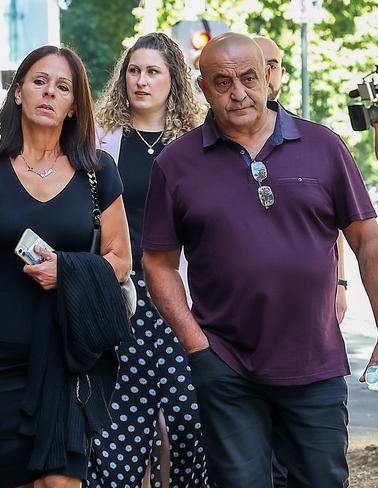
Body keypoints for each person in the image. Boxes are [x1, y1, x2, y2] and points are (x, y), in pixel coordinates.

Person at [141, 32, 378, 488]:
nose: (239, 92)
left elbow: (367, 238)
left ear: (269, 77)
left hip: (314, 362)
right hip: (226, 365)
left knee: (322, 481)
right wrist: (197, 346)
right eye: (222, 82)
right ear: (203, 88)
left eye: (249, 77)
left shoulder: (323, 147)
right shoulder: (177, 163)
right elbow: (158, 263)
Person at [0, 45, 132, 488]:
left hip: (69, 354)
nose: (50, 93)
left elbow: (121, 259)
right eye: (39, 82)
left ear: (73, 106)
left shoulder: (97, 171)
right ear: (18, 93)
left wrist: (65, 271)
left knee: (61, 482)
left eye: (62, 87)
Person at [88, 32, 209, 488]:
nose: (141, 81)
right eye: (133, 71)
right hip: (122, 294)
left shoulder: (198, 143)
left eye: (153, 72)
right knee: (120, 423)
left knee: (187, 417)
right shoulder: (99, 139)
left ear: (173, 81)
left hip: (181, 296)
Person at [254, 35, 348, 324]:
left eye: (272, 65)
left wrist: (340, 285)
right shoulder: (205, 147)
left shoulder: (317, 142)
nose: (265, 74)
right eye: (257, 65)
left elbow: (339, 223)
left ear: (281, 74)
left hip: (309, 309)